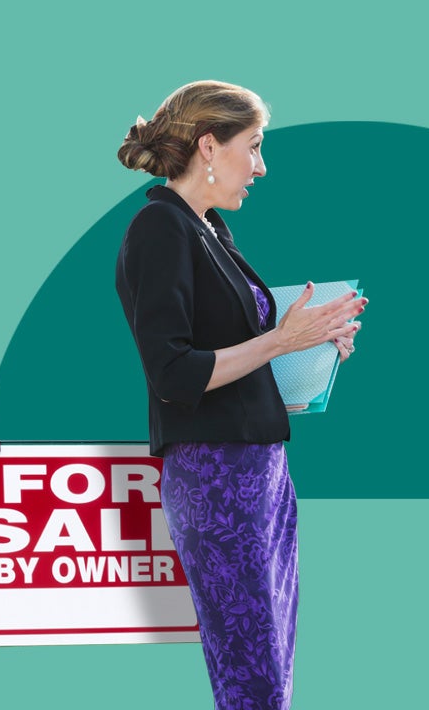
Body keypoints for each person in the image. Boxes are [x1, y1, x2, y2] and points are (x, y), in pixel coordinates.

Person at [115, 80, 367, 710]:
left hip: (261, 469)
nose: (261, 166)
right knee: (250, 668)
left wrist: (310, 350)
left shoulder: (209, 229)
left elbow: (233, 356)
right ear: (209, 146)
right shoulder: (160, 227)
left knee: (270, 664)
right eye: (253, 146)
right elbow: (173, 373)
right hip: (217, 475)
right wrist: (282, 340)